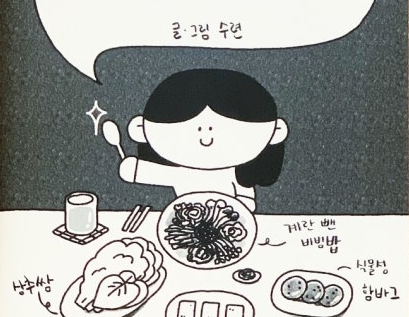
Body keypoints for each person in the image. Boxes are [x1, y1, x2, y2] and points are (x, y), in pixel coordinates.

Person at [118, 68, 288, 211]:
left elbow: (246, 201)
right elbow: (139, 172)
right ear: (140, 129)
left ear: (276, 132)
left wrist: (239, 208)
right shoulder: (180, 173)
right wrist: (133, 169)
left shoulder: (237, 175)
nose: (206, 138)